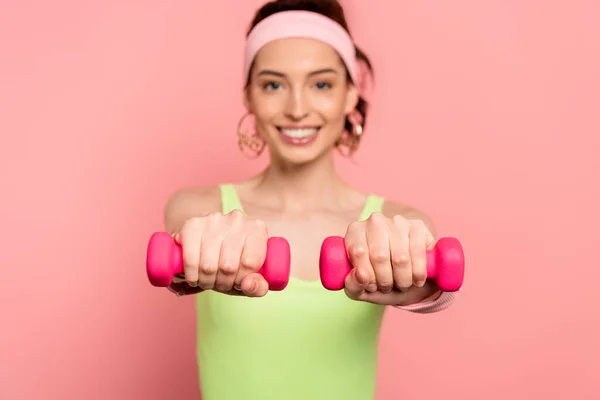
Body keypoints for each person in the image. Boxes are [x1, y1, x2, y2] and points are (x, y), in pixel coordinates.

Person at [163, 1, 459, 399]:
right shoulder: (197, 211)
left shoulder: (398, 222)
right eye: (273, 84)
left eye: (321, 84)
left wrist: (425, 290)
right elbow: (175, 270)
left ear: (350, 94)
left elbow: (436, 290)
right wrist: (192, 263)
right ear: (249, 96)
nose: (298, 109)